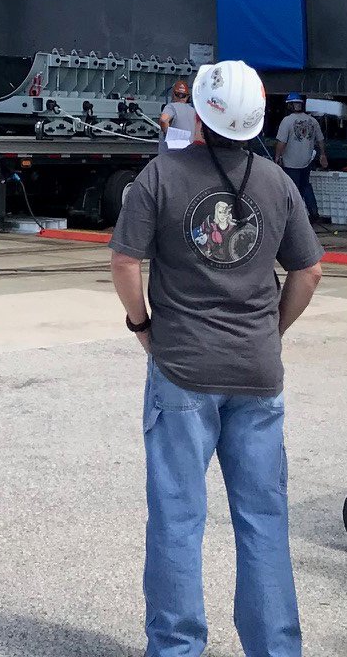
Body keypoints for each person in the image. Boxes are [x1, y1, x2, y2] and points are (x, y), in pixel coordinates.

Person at [111, 58, 323, 657]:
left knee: (178, 520)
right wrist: (270, 330)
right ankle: (275, 648)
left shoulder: (160, 174)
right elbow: (309, 270)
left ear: (198, 114)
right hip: (257, 372)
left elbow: (125, 262)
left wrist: (142, 324)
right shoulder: (277, 183)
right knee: (262, 523)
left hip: (181, 368)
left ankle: (176, 648)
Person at [273, 94, 328, 222]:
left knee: (293, 189)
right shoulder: (312, 121)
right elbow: (321, 140)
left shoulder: (287, 121)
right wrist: (323, 154)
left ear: (289, 105)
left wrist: (277, 157)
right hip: (306, 161)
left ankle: (294, 218)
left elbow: (281, 142)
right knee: (306, 187)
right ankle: (314, 213)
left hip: (290, 162)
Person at [158, 77, 196, 151]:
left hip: (173, 155)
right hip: (190, 153)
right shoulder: (193, 111)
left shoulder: (171, 107)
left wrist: (170, 135)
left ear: (173, 94)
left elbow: (163, 119)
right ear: (188, 96)